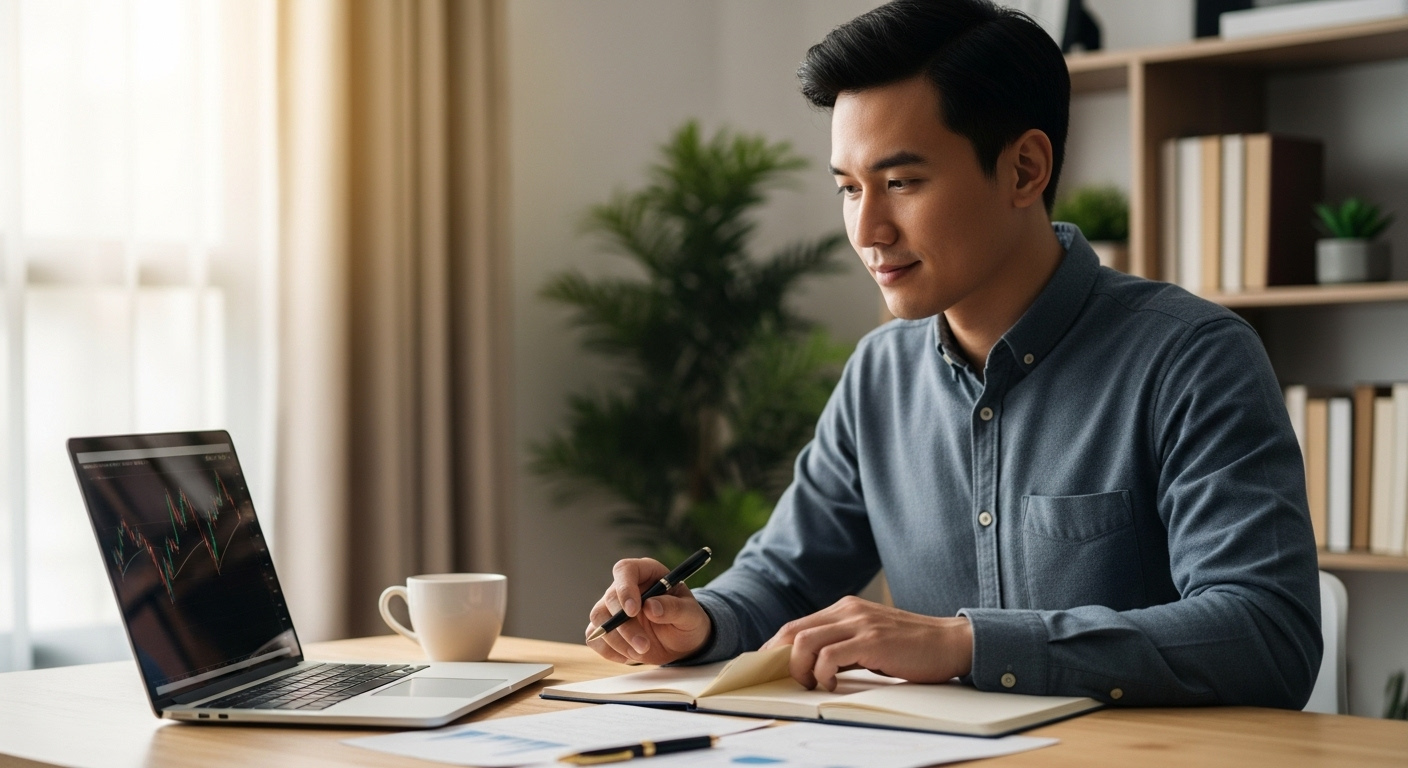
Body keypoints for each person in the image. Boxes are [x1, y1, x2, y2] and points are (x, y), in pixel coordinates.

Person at [585, 0, 1322, 708]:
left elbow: (1266, 632)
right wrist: (698, 621)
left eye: (901, 182)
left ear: (1025, 170)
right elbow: (783, 578)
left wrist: (969, 644)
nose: (868, 230)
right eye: (849, 188)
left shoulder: (1192, 359)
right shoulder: (880, 374)